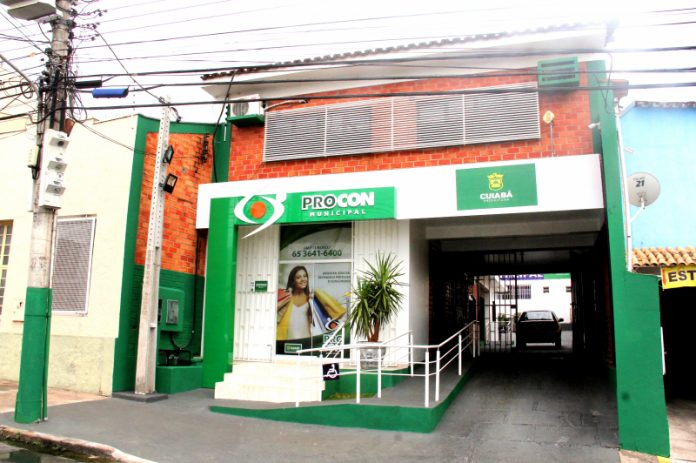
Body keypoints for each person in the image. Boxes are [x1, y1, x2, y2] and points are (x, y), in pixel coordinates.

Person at [277, 265, 347, 341]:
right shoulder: (287, 297)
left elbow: (338, 312)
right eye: (298, 277)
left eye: (305, 276)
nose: (303, 279)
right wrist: (286, 298)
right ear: (293, 281)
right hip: (288, 339)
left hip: (307, 339)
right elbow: (274, 313)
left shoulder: (313, 296)